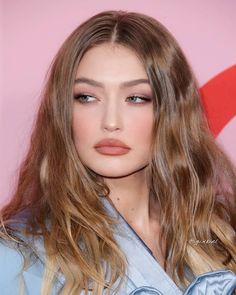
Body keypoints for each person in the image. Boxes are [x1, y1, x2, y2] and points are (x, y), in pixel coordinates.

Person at [0, 10, 235, 295]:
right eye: (87, 97)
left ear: (172, 112)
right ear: (63, 111)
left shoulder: (216, 236)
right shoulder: (18, 253)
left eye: (136, 98)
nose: (110, 122)